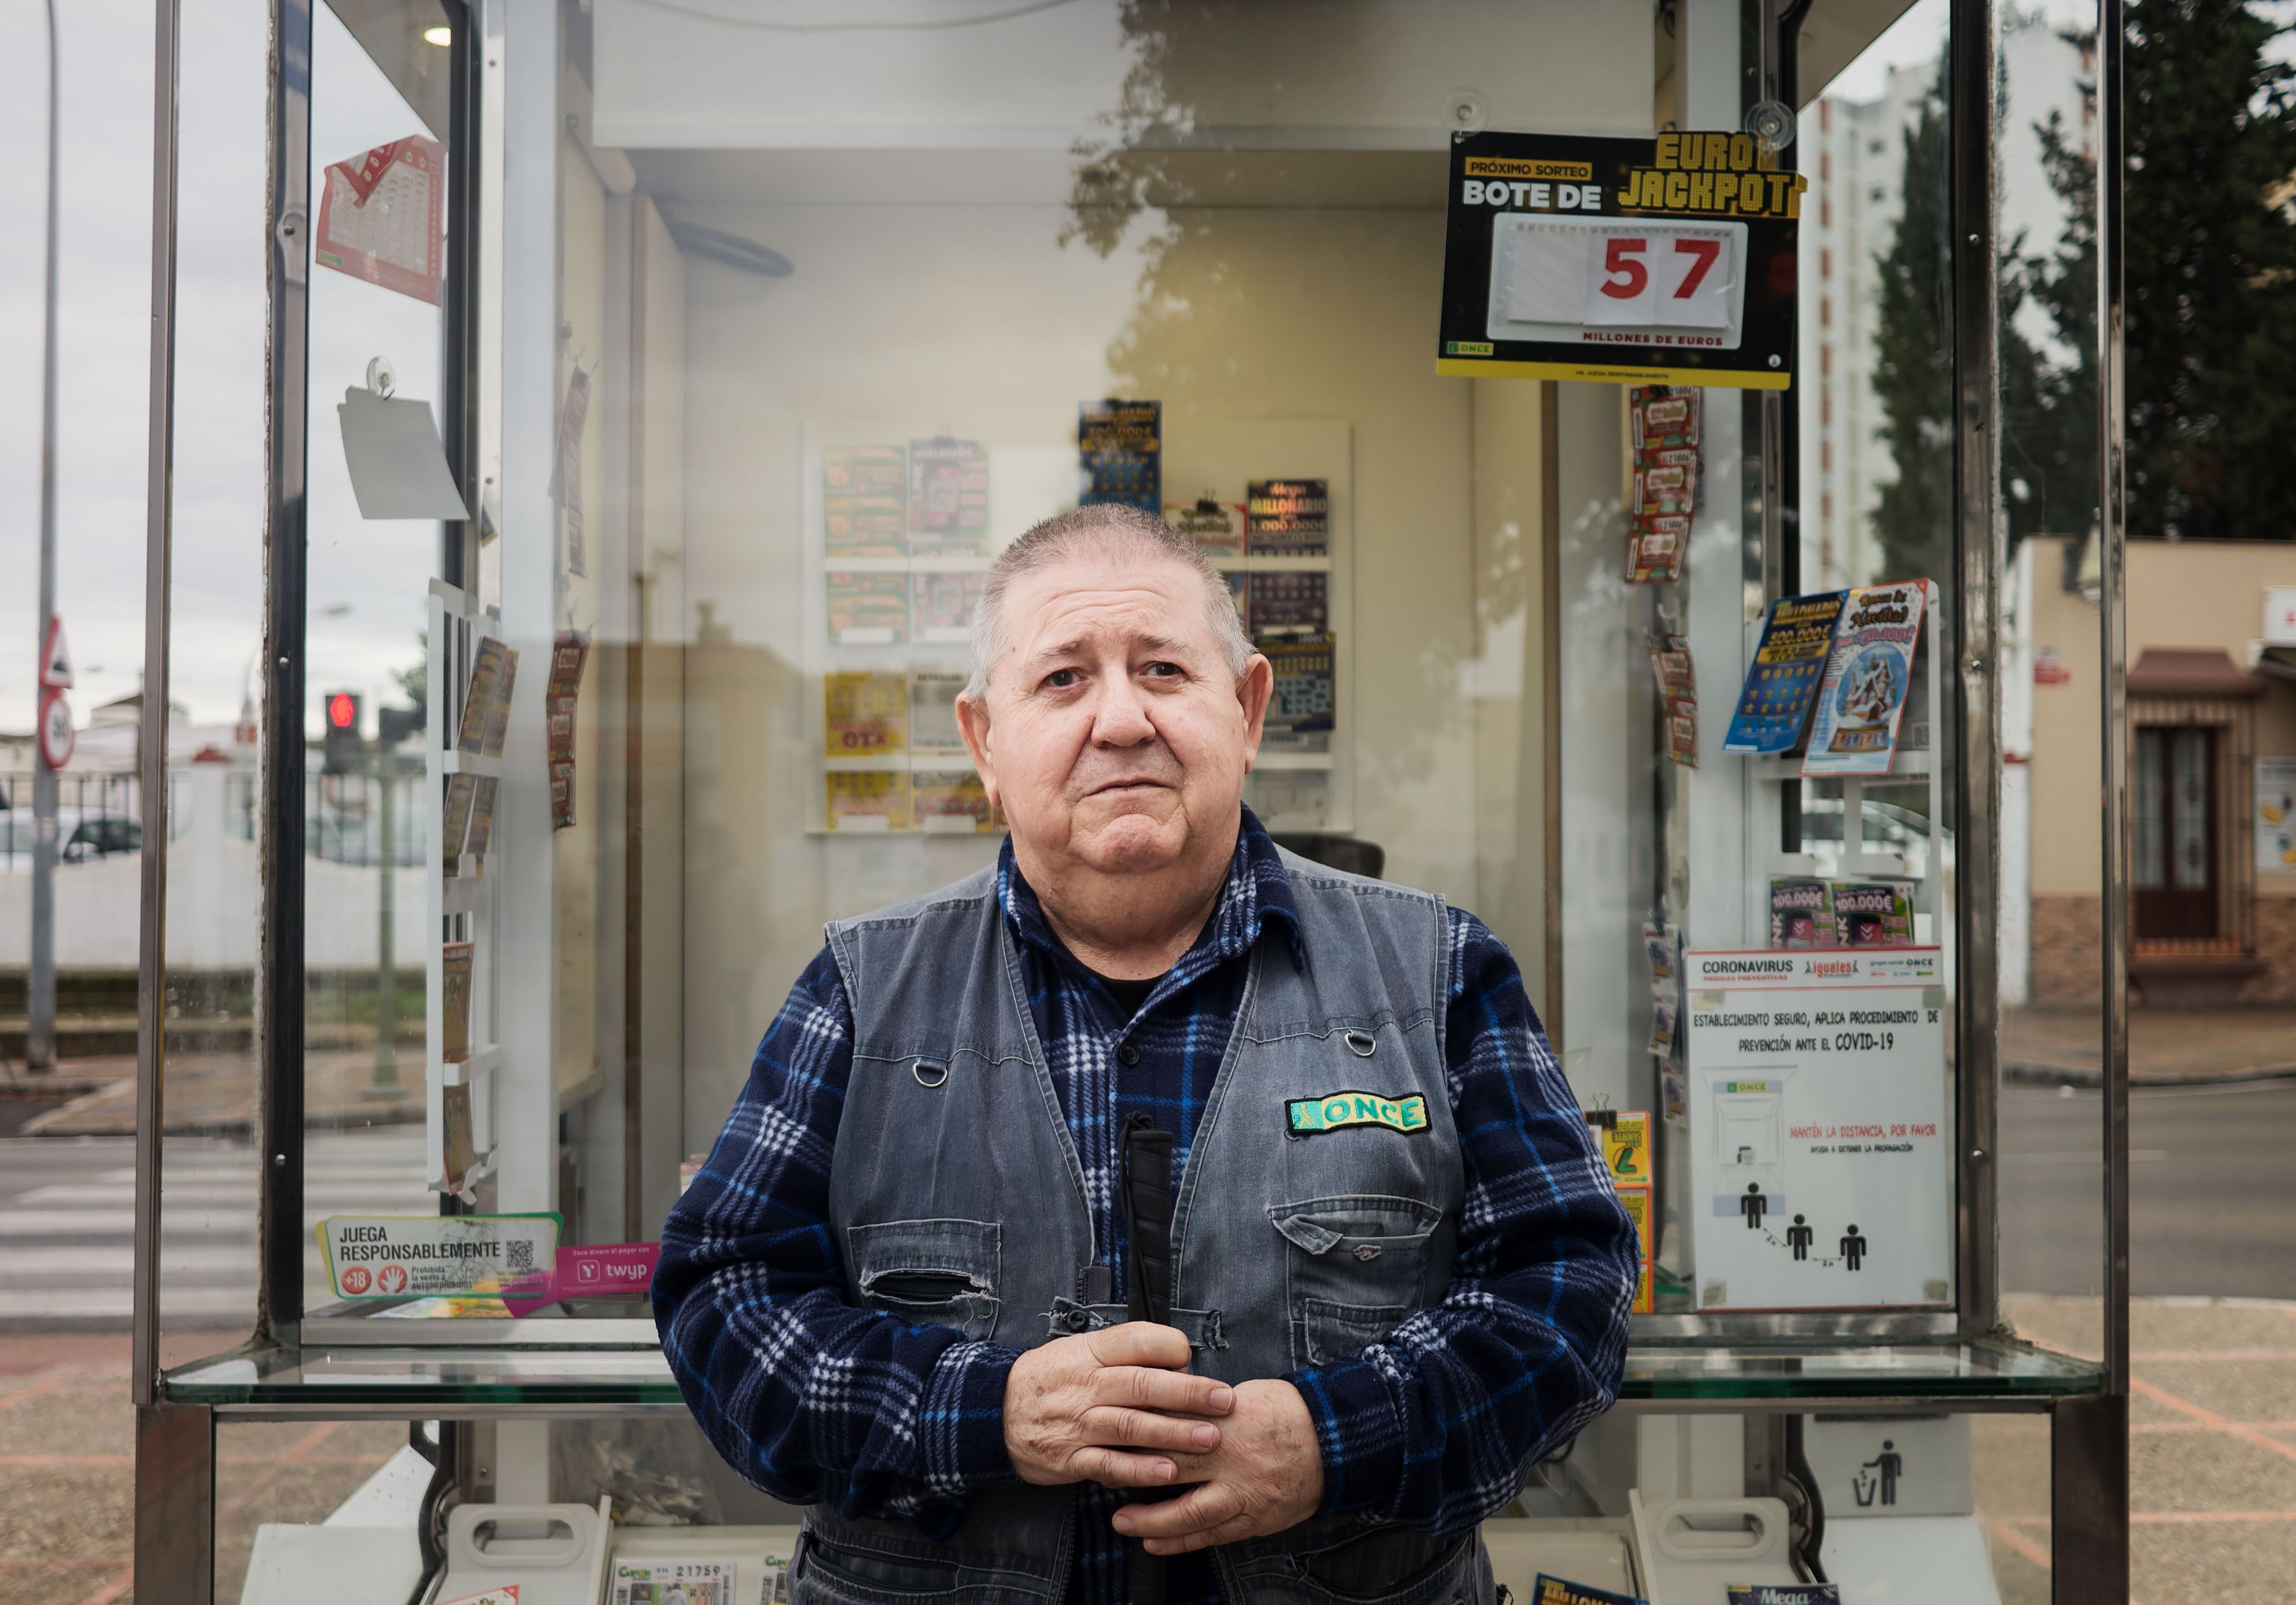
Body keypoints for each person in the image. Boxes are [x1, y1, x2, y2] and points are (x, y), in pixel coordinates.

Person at [655, 506, 1640, 1603]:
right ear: (985, 740)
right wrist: (979, 1412)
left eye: (1164, 669)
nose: (1121, 718)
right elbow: (724, 1302)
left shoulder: (1438, 971)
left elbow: (1574, 1293)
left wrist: (1338, 1435)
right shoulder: (861, 991)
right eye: (1064, 679)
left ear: (1248, 707)